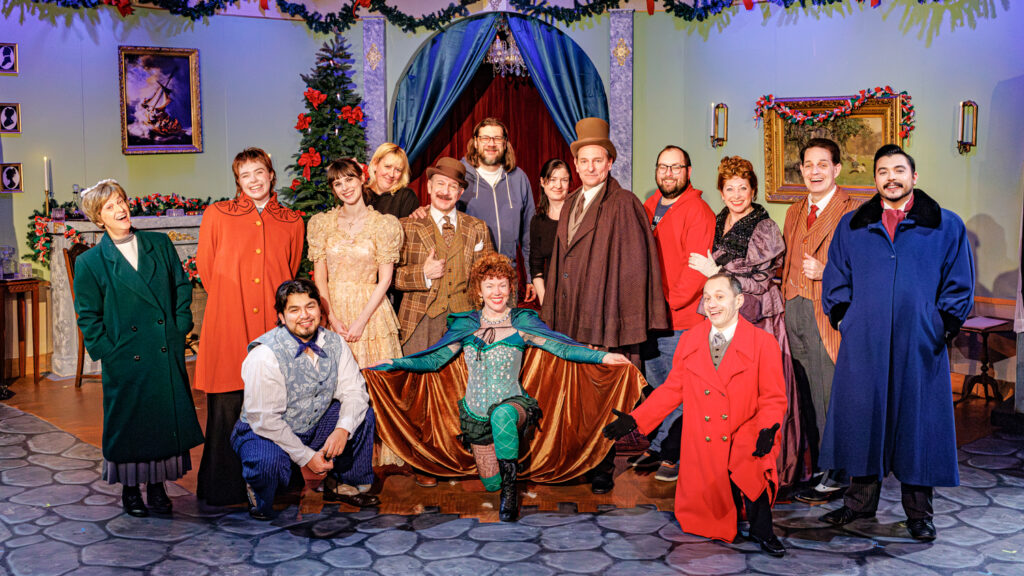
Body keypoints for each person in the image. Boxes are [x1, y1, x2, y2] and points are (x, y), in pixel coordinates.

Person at [370, 252, 634, 521]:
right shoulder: (466, 325)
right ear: (479, 291)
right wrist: (395, 362)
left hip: (512, 405)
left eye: (502, 285)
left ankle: (510, 493)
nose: (496, 292)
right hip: (475, 415)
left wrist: (603, 357)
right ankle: (501, 484)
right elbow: (434, 359)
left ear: (510, 288)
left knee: (502, 415)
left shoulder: (522, 323)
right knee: (491, 484)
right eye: (489, 285)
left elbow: (563, 348)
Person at [818, 144, 974, 541]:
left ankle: (919, 514)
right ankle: (857, 504)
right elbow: (836, 278)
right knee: (862, 421)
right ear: (875, 179)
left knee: (917, 426)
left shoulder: (946, 225)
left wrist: (939, 327)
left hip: (919, 344)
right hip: (864, 344)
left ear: (913, 176)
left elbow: (959, 284)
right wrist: (846, 319)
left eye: (899, 170)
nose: (891, 178)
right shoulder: (853, 225)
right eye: (883, 171)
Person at [604, 273, 788, 557]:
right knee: (708, 507)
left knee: (750, 463)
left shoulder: (763, 343)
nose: (711, 304)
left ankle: (762, 529)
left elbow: (772, 397)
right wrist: (636, 419)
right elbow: (672, 389)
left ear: (739, 301)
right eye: (707, 297)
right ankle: (722, 517)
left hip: (746, 425)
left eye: (720, 297)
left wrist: (767, 428)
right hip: (704, 432)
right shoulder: (691, 339)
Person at [541, 116, 668, 493]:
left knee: (606, 396)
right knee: (577, 394)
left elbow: (636, 269)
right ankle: (578, 459)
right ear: (575, 164)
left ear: (610, 162)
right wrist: (552, 318)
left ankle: (602, 464)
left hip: (604, 317)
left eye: (598, 160)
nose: (591, 167)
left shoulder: (624, 204)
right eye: (584, 161)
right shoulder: (570, 202)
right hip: (571, 317)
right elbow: (559, 261)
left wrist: (621, 326)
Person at [73, 179, 204, 517]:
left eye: (121, 201)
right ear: (98, 218)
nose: (120, 209)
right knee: (130, 424)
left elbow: (181, 286)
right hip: (124, 356)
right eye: (110, 206)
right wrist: (108, 351)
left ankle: (158, 487)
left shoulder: (159, 244)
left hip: (162, 348)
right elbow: (88, 315)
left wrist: (179, 327)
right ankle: (130, 490)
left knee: (160, 419)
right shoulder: (90, 262)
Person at [194, 147, 305, 507]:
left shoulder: (292, 221)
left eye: (259, 172)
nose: (254, 180)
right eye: (245, 175)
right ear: (238, 181)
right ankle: (223, 487)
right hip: (228, 321)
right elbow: (207, 268)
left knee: (273, 405)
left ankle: (275, 482)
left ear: (271, 175)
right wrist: (231, 301)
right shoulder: (218, 215)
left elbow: (289, 270)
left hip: (271, 328)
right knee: (227, 404)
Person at [688, 156, 801, 490]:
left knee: (755, 393)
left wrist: (717, 273)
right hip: (725, 314)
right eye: (730, 189)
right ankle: (724, 468)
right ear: (721, 192)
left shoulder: (764, 227)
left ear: (753, 190)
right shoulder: (719, 219)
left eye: (743, 188)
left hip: (757, 316)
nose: (736, 195)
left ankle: (760, 471)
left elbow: (762, 281)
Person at [231, 279, 379, 520]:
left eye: (310, 306)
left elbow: (354, 391)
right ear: (281, 317)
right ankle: (260, 492)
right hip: (264, 432)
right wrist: (307, 457)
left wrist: (342, 429)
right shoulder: (264, 355)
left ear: (320, 310)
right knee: (267, 464)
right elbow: (265, 420)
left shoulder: (335, 343)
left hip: (313, 425)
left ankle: (342, 483)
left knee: (361, 415)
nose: (304, 315)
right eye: (294, 310)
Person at [782, 138, 862, 504]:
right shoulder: (794, 210)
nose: (815, 172)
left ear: (836, 169)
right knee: (804, 394)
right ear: (801, 169)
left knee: (830, 394)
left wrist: (827, 270)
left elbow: (866, 269)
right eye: (808, 165)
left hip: (827, 312)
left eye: (822, 164)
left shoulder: (853, 211)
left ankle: (838, 473)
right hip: (793, 308)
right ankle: (816, 467)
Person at [634, 145, 715, 483]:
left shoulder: (698, 211)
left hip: (679, 320)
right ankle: (658, 445)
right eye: (663, 167)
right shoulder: (649, 206)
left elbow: (696, 273)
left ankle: (675, 453)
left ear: (688, 172)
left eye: (676, 167)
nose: (668, 174)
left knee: (681, 390)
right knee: (656, 388)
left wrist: (665, 307)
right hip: (650, 318)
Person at [308, 158, 403, 368]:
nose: (345, 188)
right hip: (332, 309)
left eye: (349, 179)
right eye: (338, 183)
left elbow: (385, 279)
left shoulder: (384, 225)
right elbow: (320, 277)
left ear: (362, 178)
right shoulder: (321, 224)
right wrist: (332, 318)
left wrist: (361, 322)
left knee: (373, 379)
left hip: (371, 312)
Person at [395, 156, 494, 356]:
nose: (445, 191)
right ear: (429, 187)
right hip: (419, 322)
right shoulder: (406, 226)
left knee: (464, 375)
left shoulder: (478, 227)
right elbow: (388, 277)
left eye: (452, 186)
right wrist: (423, 274)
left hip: (467, 322)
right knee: (419, 374)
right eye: (440, 183)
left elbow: (490, 276)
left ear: (460, 193)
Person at [459, 118, 537, 302]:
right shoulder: (461, 176)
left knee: (506, 322)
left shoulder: (519, 178)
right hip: (469, 279)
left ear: (505, 143)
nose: (491, 143)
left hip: (507, 278)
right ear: (476, 142)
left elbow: (529, 234)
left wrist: (531, 276)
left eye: (497, 138)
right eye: (485, 138)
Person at [528, 159, 571, 305]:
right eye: (552, 179)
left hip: (579, 295)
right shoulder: (538, 221)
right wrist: (545, 301)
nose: (558, 185)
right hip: (552, 296)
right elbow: (536, 266)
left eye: (564, 180)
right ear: (542, 182)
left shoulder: (579, 216)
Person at [366, 142, 420, 220]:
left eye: (398, 170)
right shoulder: (360, 193)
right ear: (375, 164)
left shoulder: (406, 197)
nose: (391, 174)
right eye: (387, 166)